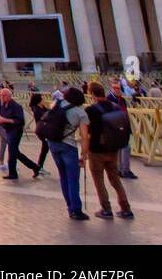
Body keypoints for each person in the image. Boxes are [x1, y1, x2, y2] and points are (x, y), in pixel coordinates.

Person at [85, 82, 135, 220]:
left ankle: (106, 209)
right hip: (112, 148)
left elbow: (86, 131)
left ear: (92, 94)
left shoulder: (91, 110)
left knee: (98, 180)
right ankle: (126, 208)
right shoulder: (115, 107)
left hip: (96, 149)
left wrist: (84, 151)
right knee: (115, 179)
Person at [43, 86, 90, 221]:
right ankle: (76, 209)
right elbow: (84, 137)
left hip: (53, 143)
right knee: (73, 179)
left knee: (63, 176)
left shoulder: (55, 104)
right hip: (68, 146)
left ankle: (69, 206)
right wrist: (84, 155)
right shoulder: (80, 112)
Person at [0, 88, 41, 179]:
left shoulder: (16, 106)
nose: (2, 97)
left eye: (4, 95)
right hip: (8, 130)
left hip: (15, 131)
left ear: (9, 96)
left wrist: (5, 120)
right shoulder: (4, 105)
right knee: (15, 152)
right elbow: (1, 115)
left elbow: (20, 121)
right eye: (1, 95)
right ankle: (35, 167)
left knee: (12, 152)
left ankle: (13, 173)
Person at [28, 92, 50, 175]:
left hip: (45, 130)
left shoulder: (42, 107)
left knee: (45, 148)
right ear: (39, 100)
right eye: (42, 98)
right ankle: (39, 167)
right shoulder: (37, 109)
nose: (44, 100)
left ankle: (39, 167)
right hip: (42, 131)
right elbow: (44, 117)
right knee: (45, 148)